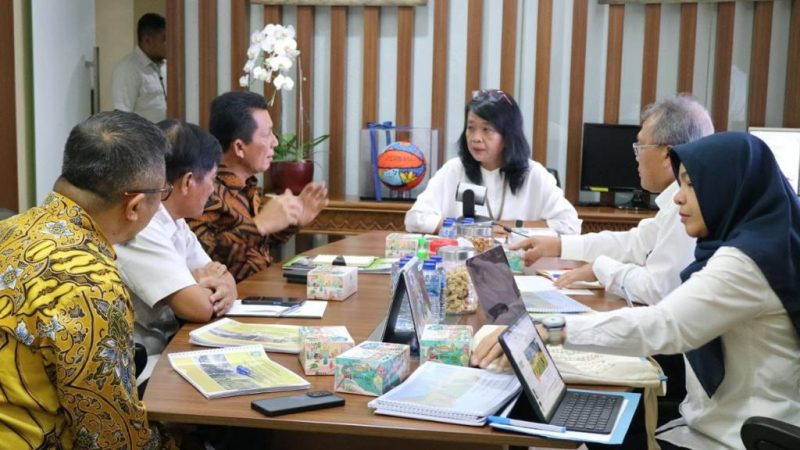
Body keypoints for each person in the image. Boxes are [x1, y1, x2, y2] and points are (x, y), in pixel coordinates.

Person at [475, 132, 800, 450]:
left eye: (692, 183)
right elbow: (635, 246)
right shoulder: (760, 241)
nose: (678, 196)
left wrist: (550, 329)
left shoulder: (746, 262)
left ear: (729, 187)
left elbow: (666, 324)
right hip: (716, 423)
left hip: (734, 436)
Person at [0, 111, 173, 448]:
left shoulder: (8, 230)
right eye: (163, 193)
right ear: (135, 206)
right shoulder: (92, 284)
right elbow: (111, 436)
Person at [511, 94, 714, 305]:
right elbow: (634, 243)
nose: (636, 157)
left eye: (640, 147)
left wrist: (601, 268)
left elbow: (658, 289)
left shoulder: (687, 208)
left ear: (667, 155)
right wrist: (559, 245)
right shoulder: (676, 203)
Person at [116, 120, 237, 364]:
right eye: (212, 180)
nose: (213, 190)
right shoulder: (143, 225)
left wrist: (219, 286)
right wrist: (200, 284)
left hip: (171, 346)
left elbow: (224, 276)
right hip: (142, 361)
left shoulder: (175, 220)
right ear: (188, 181)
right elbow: (199, 308)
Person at [187, 91, 328, 282]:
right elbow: (201, 256)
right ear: (239, 147)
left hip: (259, 293)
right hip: (228, 303)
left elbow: (252, 247)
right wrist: (260, 225)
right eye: (267, 134)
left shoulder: (247, 185)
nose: (275, 142)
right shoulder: (206, 188)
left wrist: (292, 221)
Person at [404, 89, 580, 235]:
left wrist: (509, 226)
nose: (475, 138)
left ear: (508, 135)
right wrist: (471, 229)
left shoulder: (534, 174)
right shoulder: (455, 169)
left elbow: (570, 225)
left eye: (487, 129)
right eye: (471, 128)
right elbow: (414, 218)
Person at [112, 13, 167, 123]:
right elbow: (122, 118)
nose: (170, 44)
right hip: (145, 139)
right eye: (164, 39)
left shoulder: (166, 65)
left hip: (168, 137)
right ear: (147, 40)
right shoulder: (128, 69)